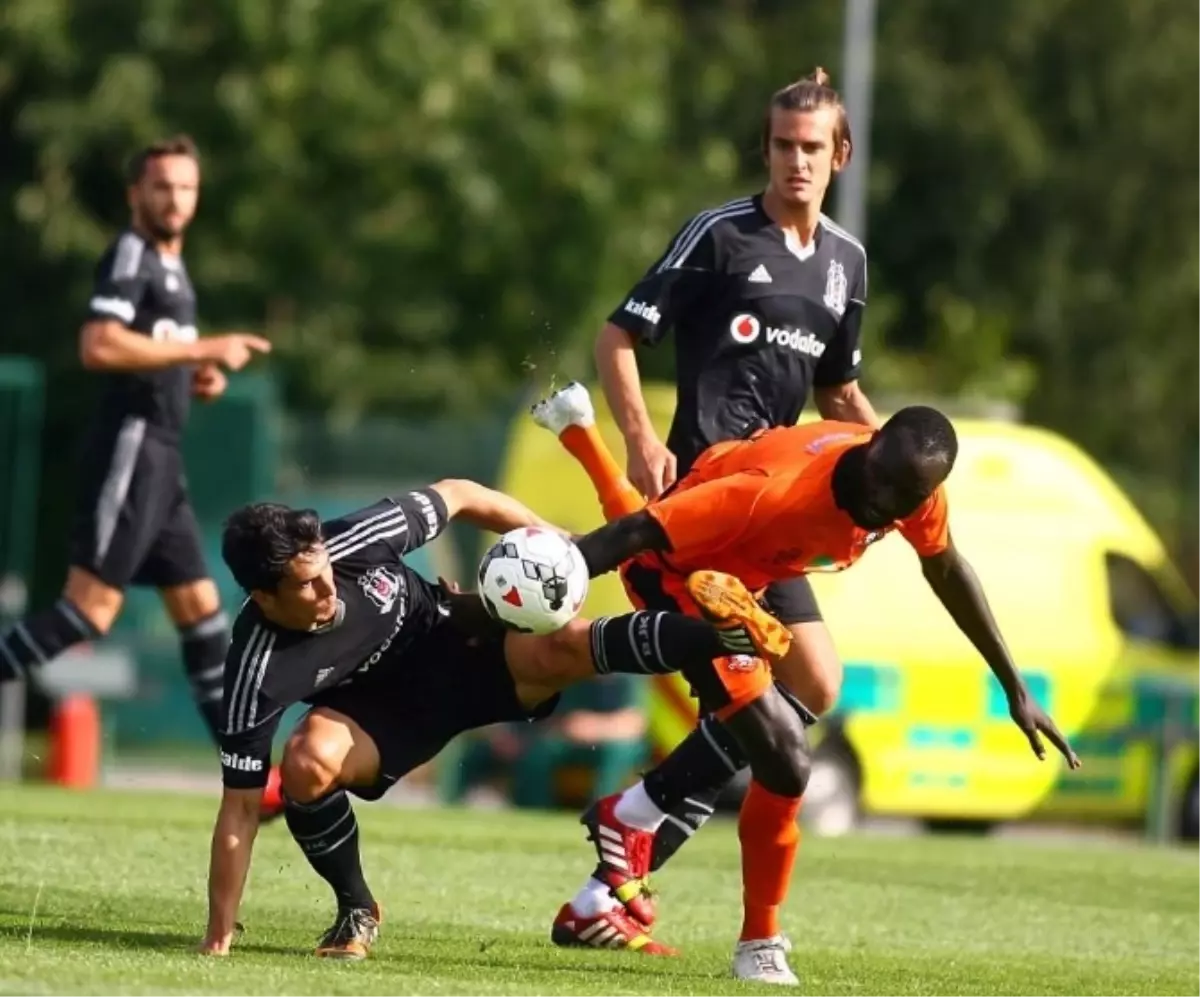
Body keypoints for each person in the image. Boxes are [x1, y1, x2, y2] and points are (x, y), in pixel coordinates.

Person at [555, 407, 1081, 983]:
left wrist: (1015, 686)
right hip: (683, 575)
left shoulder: (911, 486)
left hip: (755, 569)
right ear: (873, 444)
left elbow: (947, 568)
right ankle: (759, 943)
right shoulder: (770, 494)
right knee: (785, 761)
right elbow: (638, 534)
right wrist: (550, 579)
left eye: (901, 497)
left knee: (817, 686)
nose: (881, 502)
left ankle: (613, 860)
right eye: (878, 480)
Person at [198, 479, 786, 959]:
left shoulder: (352, 540)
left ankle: (725, 635)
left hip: (457, 640)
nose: (327, 583)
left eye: (324, 566)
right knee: (304, 763)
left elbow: (459, 494)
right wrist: (218, 938)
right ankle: (356, 907)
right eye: (306, 584)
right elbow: (241, 809)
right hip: (384, 716)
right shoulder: (257, 668)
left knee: (562, 647)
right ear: (263, 597)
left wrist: (565, 546)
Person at [582, 67, 882, 905]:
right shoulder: (717, 235)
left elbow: (839, 392)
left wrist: (897, 457)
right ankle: (615, 876)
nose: (795, 161)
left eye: (812, 148)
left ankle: (620, 845)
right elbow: (616, 339)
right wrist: (641, 437)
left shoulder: (846, 264)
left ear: (841, 155)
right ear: (766, 147)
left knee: (817, 685)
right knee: (762, 720)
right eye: (783, 145)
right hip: (704, 516)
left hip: (780, 508)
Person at [0, 136, 277, 810]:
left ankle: (250, 780)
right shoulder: (131, 253)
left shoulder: (174, 270)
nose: (174, 198)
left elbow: (151, 352)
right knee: (85, 612)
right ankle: (250, 776)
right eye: (161, 187)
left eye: (185, 187)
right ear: (135, 195)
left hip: (161, 456)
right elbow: (98, 344)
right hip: (130, 448)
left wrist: (194, 371)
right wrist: (208, 345)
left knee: (203, 613)